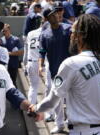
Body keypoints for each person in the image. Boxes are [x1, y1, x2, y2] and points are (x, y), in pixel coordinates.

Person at [30, 14, 100, 135]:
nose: (71, 35)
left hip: (83, 131)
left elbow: (52, 101)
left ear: (81, 36)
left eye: (73, 32)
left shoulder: (71, 64)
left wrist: (35, 108)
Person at [38, 6, 71, 134]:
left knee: (71, 98)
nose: (56, 16)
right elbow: (42, 52)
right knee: (57, 100)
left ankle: (71, 121)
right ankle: (59, 124)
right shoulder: (45, 35)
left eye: (56, 13)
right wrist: (41, 66)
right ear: (47, 18)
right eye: (52, 14)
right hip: (55, 72)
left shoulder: (68, 29)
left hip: (71, 71)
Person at [25, 15, 42, 104]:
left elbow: (26, 50)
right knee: (48, 88)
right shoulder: (45, 33)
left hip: (30, 62)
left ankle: (31, 108)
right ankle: (48, 112)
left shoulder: (30, 33)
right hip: (41, 63)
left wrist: (25, 64)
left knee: (33, 87)